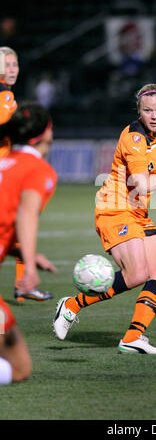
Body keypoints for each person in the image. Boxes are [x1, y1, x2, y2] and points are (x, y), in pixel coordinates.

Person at [53, 83, 156, 354]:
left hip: (138, 213)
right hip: (114, 209)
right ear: (139, 111)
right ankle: (71, 305)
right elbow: (143, 184)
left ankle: (133, 337)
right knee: (136, 274)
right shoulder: (133, 137)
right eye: (148, 110)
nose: (154, 115)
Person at [0, 102, 57, 384]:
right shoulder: (37, 169)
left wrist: (21, 252)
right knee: (19, 368)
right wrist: (29, 269)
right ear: (46, 134)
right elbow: (26, 213)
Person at [0, 47, 55, 302]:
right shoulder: (3, 97)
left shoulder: (7, 96)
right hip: (8, 171)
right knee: (22, 218)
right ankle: (26, 280)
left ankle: (25, 279)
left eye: (15, 64)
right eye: (6, 64)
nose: (12, 69)